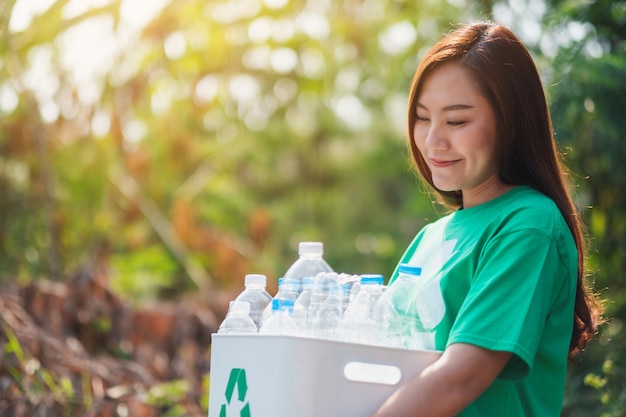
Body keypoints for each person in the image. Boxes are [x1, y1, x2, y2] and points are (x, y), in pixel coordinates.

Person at [370, 21, 603, 417]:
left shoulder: (528, 225)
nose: (432, 141)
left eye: (456, 121)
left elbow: (461, 377)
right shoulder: (430, 237)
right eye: (423, 117)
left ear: (511, 123)